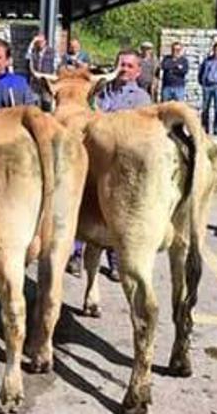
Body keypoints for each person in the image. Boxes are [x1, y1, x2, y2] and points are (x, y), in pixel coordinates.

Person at [66, 49, 151, 280]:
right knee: (82, 205)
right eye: (121, 64)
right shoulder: (100, 94)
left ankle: (115, 261)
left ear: (138, 71)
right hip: (92, 160)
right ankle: (75, 255)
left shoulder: (142, 99)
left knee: (115, 212)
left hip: (121, 166)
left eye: (129, 66)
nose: (124, 69)